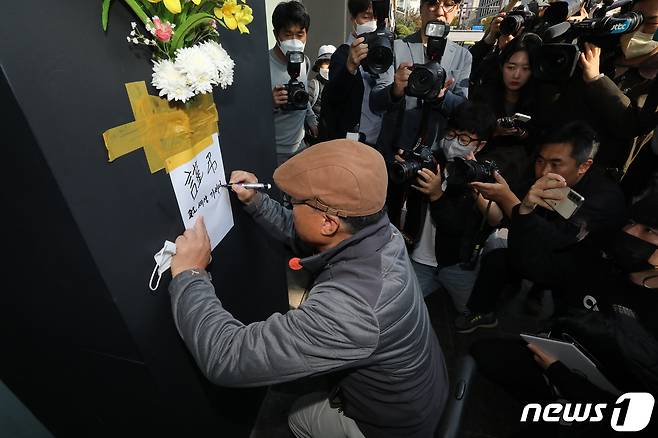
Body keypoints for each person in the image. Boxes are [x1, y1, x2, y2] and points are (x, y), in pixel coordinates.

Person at [168, 139, 449, 437]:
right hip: (423, 390)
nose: (290, 205)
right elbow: (308, 233)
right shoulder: (380, 230)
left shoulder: (349, 311)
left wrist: (190, 273)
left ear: (328, 222)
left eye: (294, 202)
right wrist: (258, 202)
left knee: (298, 416)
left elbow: (226, 357)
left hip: (393, 426)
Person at [469, 195, 658, 437]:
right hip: (556, 355)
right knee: (484, 353)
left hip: (601, 402)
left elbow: (639, 417)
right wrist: (524, 211)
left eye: (649, 230)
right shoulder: (602, 262)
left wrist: (564, 379)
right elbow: (536, 266)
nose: (630, 231)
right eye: (631, 221)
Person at [458, 121, 626, 332]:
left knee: (564, 327)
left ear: (584, 165)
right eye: (540, 161)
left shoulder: (603, 198)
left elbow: (557, 238)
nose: (544, 171)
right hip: (540, 246)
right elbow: (511, 215)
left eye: (556, 164)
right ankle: (481, 312)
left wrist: (510, 200)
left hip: (582, 269)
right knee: (497, 261)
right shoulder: (540, 175)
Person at [403, 102, 499, 312]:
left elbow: (456, 226)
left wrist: (437, 195)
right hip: (419, 258)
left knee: (470, 310)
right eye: (451, 135)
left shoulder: (480, 177)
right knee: (404, 305)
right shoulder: (431, 162)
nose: (454, 143)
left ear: (479, 145)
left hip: (456, 263)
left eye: (464, 139)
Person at [370, 0, 471, 164]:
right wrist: (395, 90)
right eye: (432, 3)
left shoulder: (463, 55)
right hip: (392, 153)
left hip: (434, 156)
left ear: (457, 10)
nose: (440, 11)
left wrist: (442, 97)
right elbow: (375, 102)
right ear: (421, 7)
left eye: (448, 4)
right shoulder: (397, 47)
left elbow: (462, 109)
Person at [318, 0, 392, 144]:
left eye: (377, 18)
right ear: (353, 19)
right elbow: (332, 99)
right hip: (350, 143)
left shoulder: (387, 53)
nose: (373, 23)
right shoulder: (342, 54)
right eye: (366, 17)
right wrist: (350, 67)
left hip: (379, 143)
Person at [472, 35, 540, 189]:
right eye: (511, 67)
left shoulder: (538, 99)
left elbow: (540, 139)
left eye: (525, 69)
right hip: (483, 165)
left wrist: (522, 133)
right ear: (502, 66)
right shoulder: (484, 94)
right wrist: (494, 131)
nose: (516, 75)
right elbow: (471, 132)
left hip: (519, 174)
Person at [269, 1, 318, 164]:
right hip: (273, 152)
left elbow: (302, 95)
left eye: (300, 34)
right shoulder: (262, 66)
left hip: (300, 148)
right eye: (288, 35)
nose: (295, 40)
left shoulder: (305, 62)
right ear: (277, 34)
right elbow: (248, 113)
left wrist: (311, 119)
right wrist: (270, 102)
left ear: (307, 34)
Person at [307, 44, 335, 121]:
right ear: (319, 65)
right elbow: (305, 109)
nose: (329, 66)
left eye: (332, 62)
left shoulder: (342, 84)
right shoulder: (314, 85)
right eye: (326, 62)